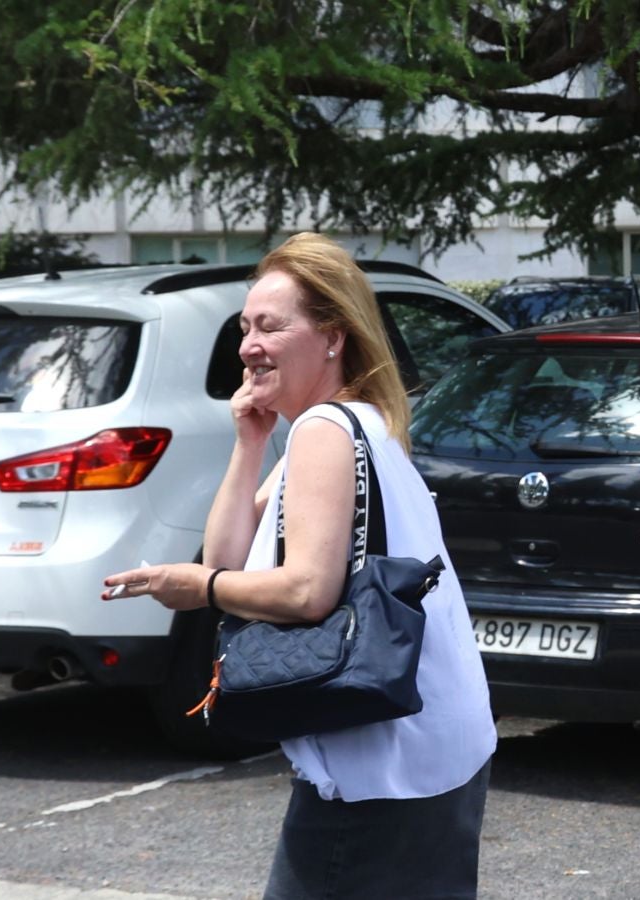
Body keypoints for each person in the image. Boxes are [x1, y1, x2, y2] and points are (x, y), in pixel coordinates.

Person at [103, 233, 496, 899]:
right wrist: (249, 442)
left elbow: (307, 591)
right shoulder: (352, 423)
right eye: (245, 327)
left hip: (380, 760)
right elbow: (232, 557)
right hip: (433, 740)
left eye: (271, 326)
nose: (249, 345)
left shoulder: (323, 432)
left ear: (333, 336)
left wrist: (199, 585)